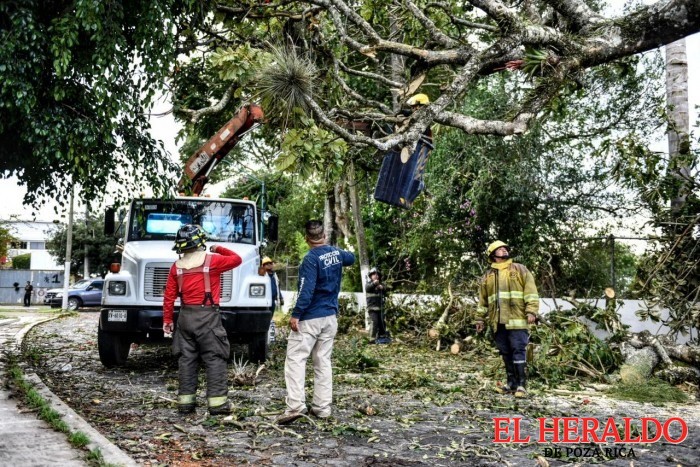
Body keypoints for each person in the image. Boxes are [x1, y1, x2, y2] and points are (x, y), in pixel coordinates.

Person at [278, 220, 355, 424]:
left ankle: (296, 406)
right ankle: (322, 408)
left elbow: (306, 290)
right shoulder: (336, 254)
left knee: (295, 359)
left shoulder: (310, 259)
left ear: (306, 238)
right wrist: (332, 250)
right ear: (325, 236)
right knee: (323, 361)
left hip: (311, 317)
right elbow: (352, 257)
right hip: (330, 317)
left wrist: (296, 314)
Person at [162, 224, 242, 415]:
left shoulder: (177, 267)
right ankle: (217, 405)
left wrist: (167, 320)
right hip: (207, 317)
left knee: (186, 359)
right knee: (214, 358)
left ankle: (186, 403)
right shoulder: (212, 261)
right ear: (200, 241)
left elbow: (169, 296)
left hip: (185, 317)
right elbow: (237, 259)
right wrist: (219, 248)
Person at [475, 240, 539, 398]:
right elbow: (483, 300)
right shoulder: (488, 276)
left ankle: (522, 386)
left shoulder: (519, 269)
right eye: (500, 249)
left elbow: (531, 292)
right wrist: (479, 319)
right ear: (492, 254)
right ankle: (511, 384)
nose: (504, 250)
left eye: (505, 248)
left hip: (517, 320)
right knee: (505, 352)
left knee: (518, 350)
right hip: (498, 322)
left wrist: (531, 311)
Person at [366, 267, 390, 344]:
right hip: (372, 308)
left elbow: (386, 292)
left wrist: (383, 288)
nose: (376, 276)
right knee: (374, 322)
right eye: (373, 275)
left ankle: (382, 336)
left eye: (377, 275)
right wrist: (374, 283)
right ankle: (372, 339)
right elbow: (367, 288)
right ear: (370, 276)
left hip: (381, 308)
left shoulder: (381, 285)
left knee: (382, 322)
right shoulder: (369, 284)